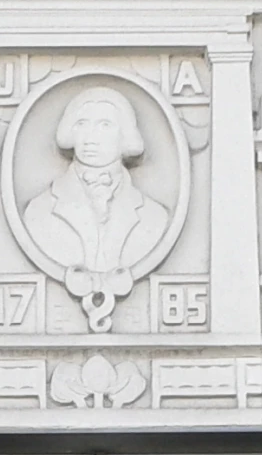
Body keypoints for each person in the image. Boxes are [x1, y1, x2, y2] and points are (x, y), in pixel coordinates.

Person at [19, 85, 171, 328]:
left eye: (104, 125)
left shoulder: (154, 216)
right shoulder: (39, 210)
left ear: (126, 135)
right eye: (81, 124)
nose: (90, 137)